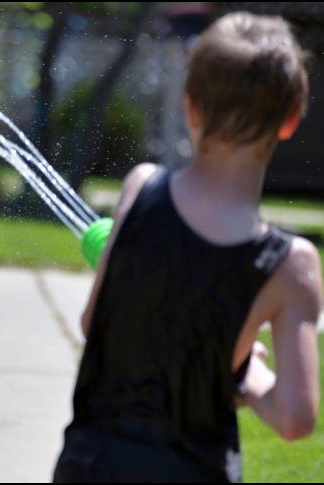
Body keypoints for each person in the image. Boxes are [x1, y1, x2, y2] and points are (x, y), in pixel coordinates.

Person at [54, 12, 322, 482]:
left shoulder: (140, 189)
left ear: (191, 106)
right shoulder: (291, 266)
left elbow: (92, 322)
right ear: (291, 118)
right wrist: (246, 374)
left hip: (91, 464)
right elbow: (295, 419)